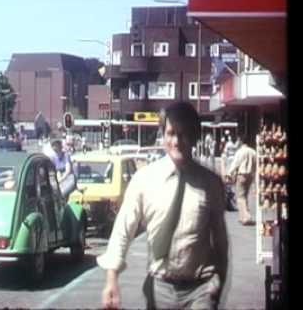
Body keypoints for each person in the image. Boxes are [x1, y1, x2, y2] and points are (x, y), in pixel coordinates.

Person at [98, 101, 228, 310]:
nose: (176, 141)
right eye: (170, 133)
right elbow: (123, 228)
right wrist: (111, 278)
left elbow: (220, 240)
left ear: (195, 136)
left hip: (200, 290)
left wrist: (218, 281)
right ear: (163, 135)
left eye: (184, 133)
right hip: (160, 290)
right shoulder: (144, 180)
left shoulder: (210, 183)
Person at [226, 136, 256, 225]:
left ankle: (246, 217)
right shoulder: (253, 152)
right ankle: (242, 216)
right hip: (250, 175)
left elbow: (235, 163)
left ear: (242, 142)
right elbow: (255, 164)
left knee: (240, 197)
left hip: (242, 175)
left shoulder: (240, 151)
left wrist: (229, 173)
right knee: (245, 195)